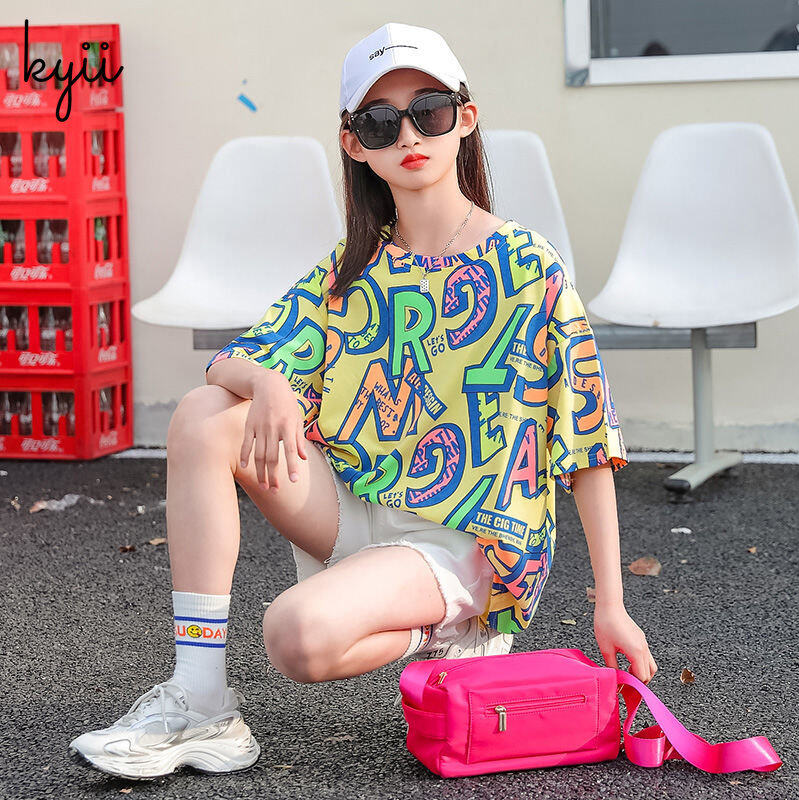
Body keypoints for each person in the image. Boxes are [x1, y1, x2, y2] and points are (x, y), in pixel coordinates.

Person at [69, 21, 658, 780]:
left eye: (429, 112)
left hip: (458, 542)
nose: (408, 135)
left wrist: (611, 603)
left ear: (465, 119)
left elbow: (587, 441)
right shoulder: (352, 268)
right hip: (353, 509)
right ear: (355, 145)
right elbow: (234, 360)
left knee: (294, 636)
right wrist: (271, 383)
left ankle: (458, 628)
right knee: (201, 416)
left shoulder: (528, 268)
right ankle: (200, 700)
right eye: (381, 122)